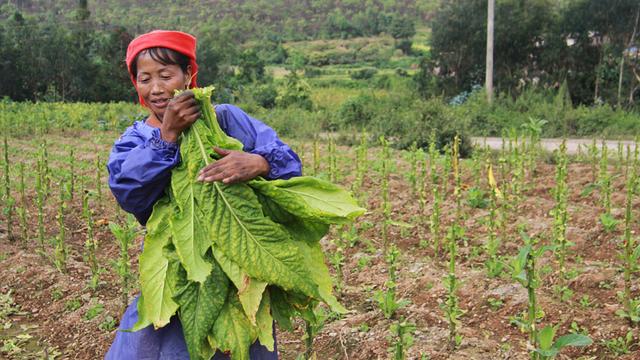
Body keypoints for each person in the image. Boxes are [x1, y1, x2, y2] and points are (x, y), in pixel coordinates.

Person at [105, 30, 301, 360]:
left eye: (166, 76)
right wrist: (167, 136)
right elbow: (129, 194)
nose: (155, 88)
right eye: (144, 79)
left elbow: (289, 162)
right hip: (177, 272)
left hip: (241, 271)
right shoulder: (136, 139)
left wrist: (258, 162)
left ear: (189, 75)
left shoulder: (226, 119)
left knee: (239, 345)